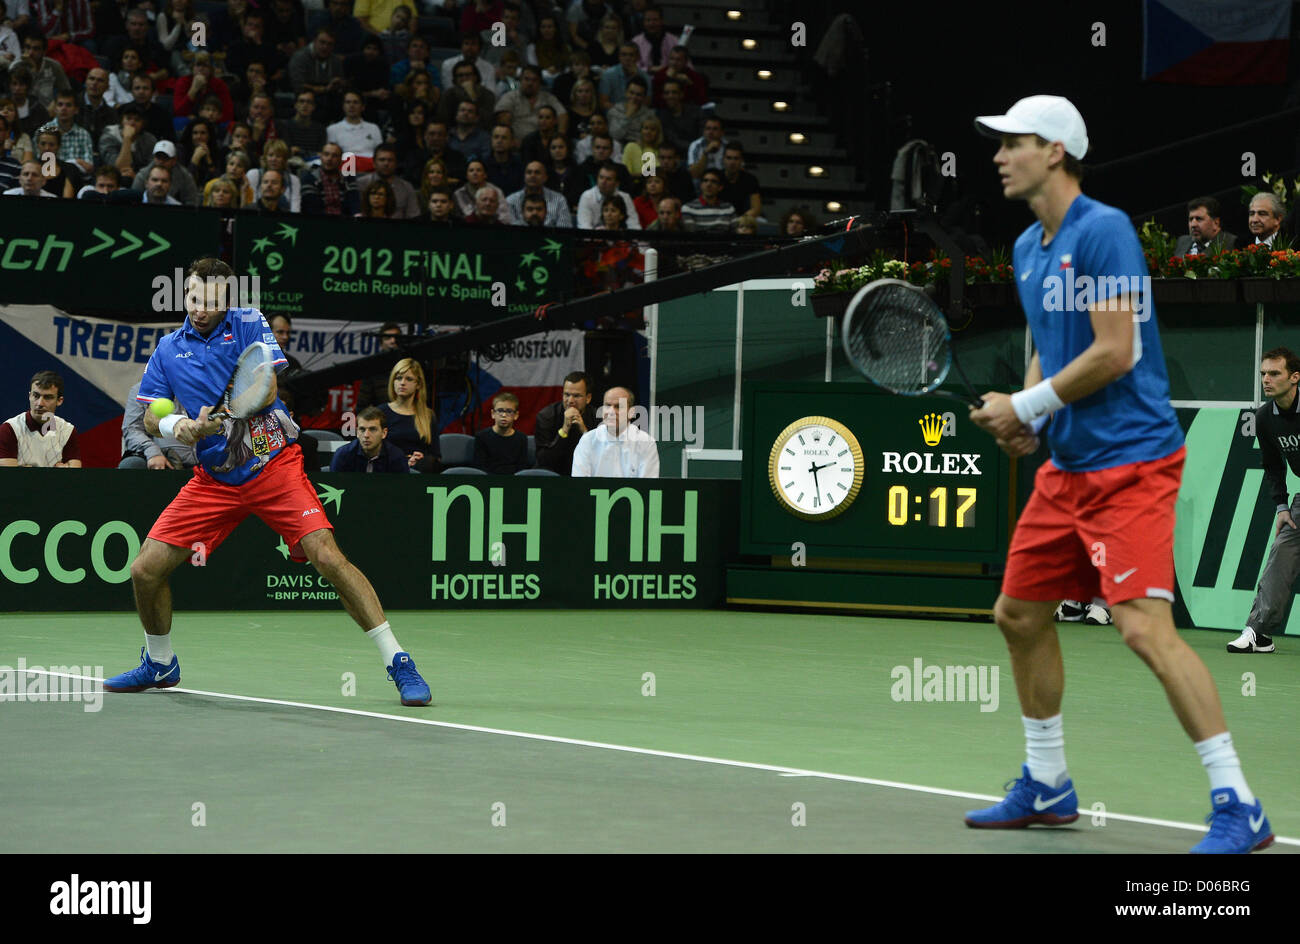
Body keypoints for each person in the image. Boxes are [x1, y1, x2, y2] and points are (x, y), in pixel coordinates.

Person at [965, 95, 1270, 853]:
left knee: (1141, 628)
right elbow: (1047, 343)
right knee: (1019, 613)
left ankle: (1239, 803)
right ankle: (1047, 783)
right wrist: (1031, 421)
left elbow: (1115, 351)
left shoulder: (1105, 232)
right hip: (1067, 467)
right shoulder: (1026, 247)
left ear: (1057, 151)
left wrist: (1026, 400)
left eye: (1015, 143)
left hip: (1132, 462)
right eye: (998, 145)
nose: (1000, 156)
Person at [104, 257, 432, 705]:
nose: (200, 308)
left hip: (271, 464)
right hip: (215, 479)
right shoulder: (167, 348)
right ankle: (160, 663)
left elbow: (267, 389)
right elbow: (149, 414)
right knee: (144, 570)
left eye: (211, 301)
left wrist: (217, 420)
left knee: (327, 555)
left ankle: (399, 661)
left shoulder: (247, 322)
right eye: (194, 298)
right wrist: (177, 426)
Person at [1230, 346, 1300, 655]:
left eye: (1274, 373)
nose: (1266, 380)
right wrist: (1282, 506)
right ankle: (1259, 633)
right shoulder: (1264, 418)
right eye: (1263, 374)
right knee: (1281, 551)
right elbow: (1273, 465)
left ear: (1294, 377)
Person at [571, 385, 659, 478]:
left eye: (618, 406)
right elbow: (580, 486)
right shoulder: (587, 441)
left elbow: (648, 487)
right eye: (608, 405)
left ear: (631, 412)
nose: (611, 411)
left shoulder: (646, 443)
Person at [0, 370, 81, 466]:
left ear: (59, 401)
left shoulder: (68, 431)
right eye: (36, 396)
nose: (40, 403)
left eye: (48, 397)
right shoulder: (9, 429)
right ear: (29, 396)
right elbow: (8, 476)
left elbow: (74, 475)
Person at [378, 356, 440, 472]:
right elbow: (373, 451)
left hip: (418, 474)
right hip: (387, 472)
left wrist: (421, 459)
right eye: (398, 378)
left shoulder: (428, 415)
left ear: (418, 384)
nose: (402, 383)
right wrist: (402, 461)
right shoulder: (381, 413)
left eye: (409, 379)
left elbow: (436, 455)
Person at [120, 379, 198, 470]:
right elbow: (132, 429)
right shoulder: (142, 389)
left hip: (207, 460)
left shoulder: (205, 386)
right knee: (132, 464)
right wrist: (153, 453)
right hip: (165, 462)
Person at [534, 371, 596, 475]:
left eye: (576, 396)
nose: (570, 400)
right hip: (554, 476)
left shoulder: (597, 417)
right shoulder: (546, 416)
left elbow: (601, 457)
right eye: (567, 394)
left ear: (588, 398)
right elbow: (544, 461)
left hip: (586, 475)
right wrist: (564, 430)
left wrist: (585, 432)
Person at [494, 64, 567, 141]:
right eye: (526, 79)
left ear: (540, 83)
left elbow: (563, 115)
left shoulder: (548, 98)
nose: (530, 83)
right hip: (516, 143)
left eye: (534, 80)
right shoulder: (510, 97)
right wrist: (511, 141)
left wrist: (560, 137)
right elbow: (502, 120)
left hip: (543, 144)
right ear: (520, 80)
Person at [330, 405, 409, 472]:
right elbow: (333, 487)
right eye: (362, 429)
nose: (366, 435)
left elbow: (402, 489)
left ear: (384, 433)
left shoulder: (396, 457)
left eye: (372, 429)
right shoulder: (343, 455)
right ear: (357, 432)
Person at [356, 143, 420, 217]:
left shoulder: (406, 187)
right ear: (374, 163)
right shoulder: (361, 184)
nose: (386, 163)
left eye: (390, 160)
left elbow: (413, 216)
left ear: (396, 163)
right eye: (382, 160)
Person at [132, 139, 200, 207]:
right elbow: (133, 200)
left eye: (165, 158)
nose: (161, 161)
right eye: (158, 157)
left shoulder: (185, 177)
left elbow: (192, 203)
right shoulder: (143, 175)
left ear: (174, 160)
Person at [473, 392, 529, 474]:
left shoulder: (521, 438)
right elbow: (480, 467)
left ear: (516, 415)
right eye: (500, 410)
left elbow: (522, 468)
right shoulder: (482, 437)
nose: (503, 415)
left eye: (509, 411)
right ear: (493, 414)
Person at [300, 140, 360, 215]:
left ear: (341, 160)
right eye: (326, 154)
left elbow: (354, 205)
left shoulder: (348, 179)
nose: (329, 159)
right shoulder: (309, 179)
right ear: (321, 157)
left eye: (334, 156)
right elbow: (311, 209)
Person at [505, 159, 571, 226]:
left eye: (537, 172)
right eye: (529, 172)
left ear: (545, 177)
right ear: (524, 177)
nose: (532, 175)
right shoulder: (511, 200)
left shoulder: (559, 200)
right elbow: (509, 230)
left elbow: (565, 228)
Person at [576, 159, 638, 229]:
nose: (603, 182)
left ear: (617, 183)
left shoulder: (625, 197)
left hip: (619, 237)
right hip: (593, 237)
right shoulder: (587, 197)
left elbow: (634, 224)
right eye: (601, 177)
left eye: (608, 179)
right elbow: (584, 227)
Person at [326, 90, 383, 158]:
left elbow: (380, 153)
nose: (351, 105)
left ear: (363, 107)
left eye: (355, 102)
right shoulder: (332, 129)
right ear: (343, 106)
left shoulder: (374, 128)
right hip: (344, 167)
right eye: (348, 102)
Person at [358, 322, 402, 408]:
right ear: (381, 343)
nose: (393, 341)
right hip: (382, 417)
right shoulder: (373, 367)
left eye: (396, 337)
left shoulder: (409, 365)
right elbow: (362, 403)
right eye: (387, 338)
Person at [598, 42, 647, 113]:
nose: (627, 58)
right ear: (619, 57)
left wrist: (635, 77)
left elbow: (646, 103)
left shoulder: (645, 77)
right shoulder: (608, 75)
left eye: (631, 55)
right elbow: (603, 103)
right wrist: (624, 111)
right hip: (614, 115)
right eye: (624, 55)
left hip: (637, 115)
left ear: (637, 57)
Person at [718, 142, 761, 224]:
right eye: (729, 158)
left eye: (736, 158)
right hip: (718, 219)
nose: (732, 162)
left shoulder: (750, 180)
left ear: (741, 160)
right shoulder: (716, 178)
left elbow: (756, 208)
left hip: (742, 221)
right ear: (723, 159)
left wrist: (738, 221)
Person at [282, 88, 327, 158]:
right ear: (295, 105)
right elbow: (287, 152)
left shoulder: (320, 129)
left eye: (309, 102)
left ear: (314, 107)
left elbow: (321, 154)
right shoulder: (285, 126)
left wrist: (300, 151)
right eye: (301, 101)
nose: (305, 105)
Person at [607, 76, 650, 147]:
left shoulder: (648, 115)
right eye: (631, 93)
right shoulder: (614, 111)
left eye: (638, 95)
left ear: (644, 97)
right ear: (626, 93)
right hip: (617, 150)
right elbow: (614, 135)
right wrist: (628, 116)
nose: (634, 97)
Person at [631, 5, 676, 72]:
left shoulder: (673, 40)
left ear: (661, 21)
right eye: (648, 20)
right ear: (643, 22)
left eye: (655, 20)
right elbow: (631, 67)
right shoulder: (636, 41)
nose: (651, 23)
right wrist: (649, 69)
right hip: (643, 78)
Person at [483, 122, 523, 195]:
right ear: (491, 140)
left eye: (504, 138)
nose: (499, 141)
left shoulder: (520, 163)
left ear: (512, 142)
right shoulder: (482, 163)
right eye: (496, 137)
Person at [688, 114, 728, 185]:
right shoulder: (696, 145)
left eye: (715, 129)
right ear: (703, 131)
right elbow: (694, 174)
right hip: (701, 182)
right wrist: (706, 152)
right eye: (708, 128)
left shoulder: (727, 146)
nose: (710, 132)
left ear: (722, 132)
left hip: (722, 183)